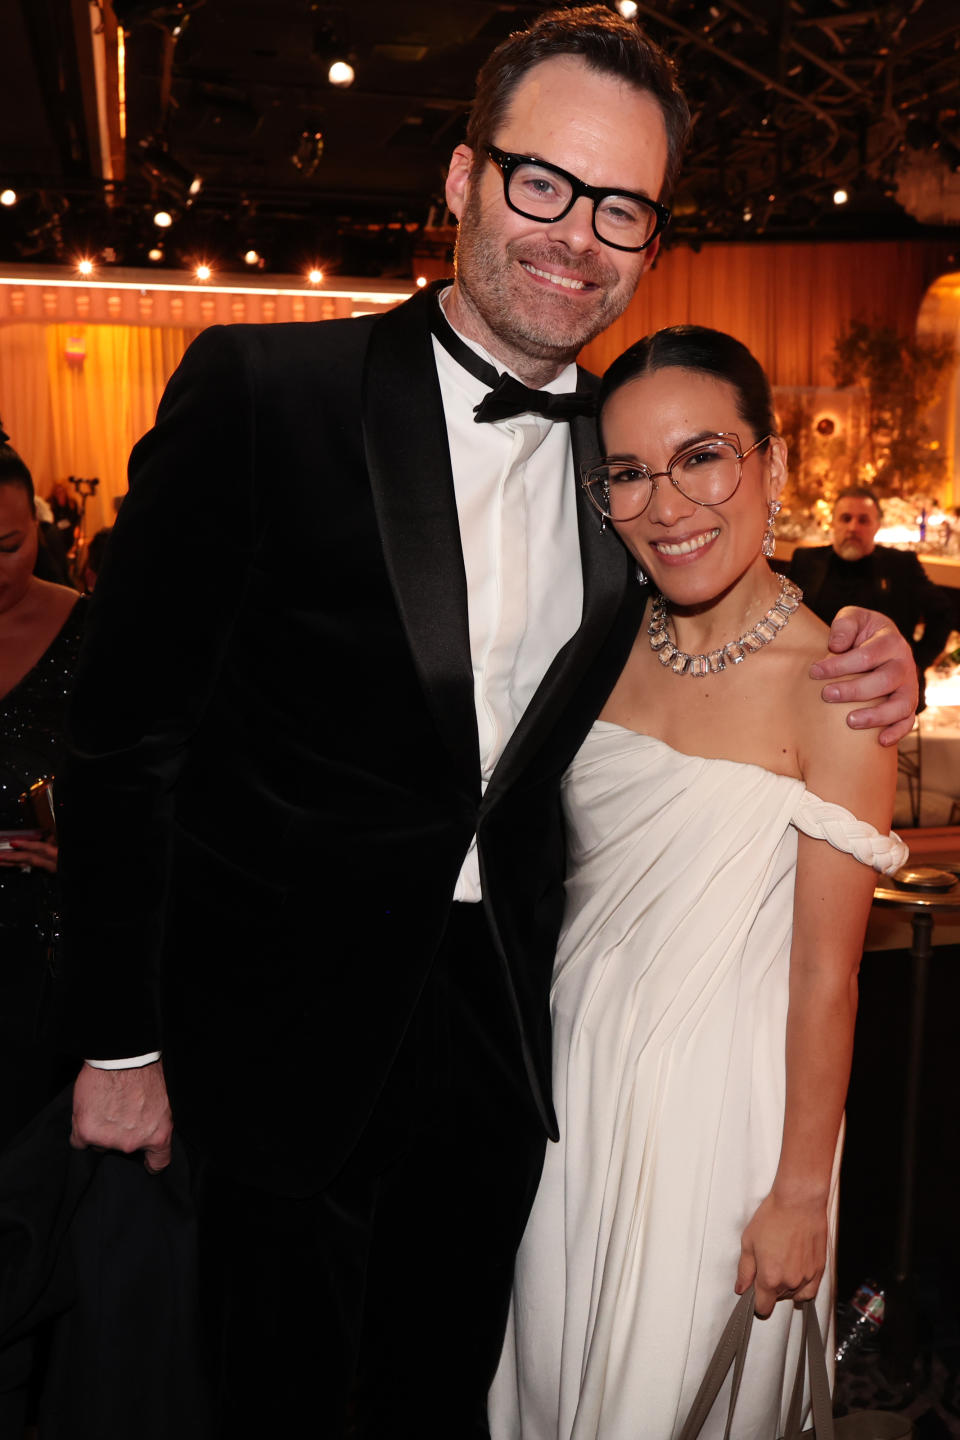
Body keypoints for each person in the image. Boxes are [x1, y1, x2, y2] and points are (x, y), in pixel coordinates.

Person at [55, 8, 915, 1436]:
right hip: (274, 1046)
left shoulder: (622, 455)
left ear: (652, 240)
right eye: (543, 183)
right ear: (462, 179)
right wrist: (119, 1039)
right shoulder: (267, 394)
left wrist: (861, 630)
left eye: (622, 207)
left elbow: (708, 600)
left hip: (516, 1054)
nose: (576, 234)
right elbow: (123, 731)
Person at [489, 327, 905, 1440]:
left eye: (703, 456)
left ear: (773, 463)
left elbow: (828, 977)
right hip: (569, 1097)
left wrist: (801, 1193)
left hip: (723, 1123)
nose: (667, 503)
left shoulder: (840, 689)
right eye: (627, 472)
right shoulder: (592, 650)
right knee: (549, 1387)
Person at [0, 434, 85, 1434]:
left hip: (55, 964)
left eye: (12, 541)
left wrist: (90, 855)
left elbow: (157, 794)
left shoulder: (96, 632)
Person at [789, 487, 953, 709]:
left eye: (863, 520)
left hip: (884, 692)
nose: (853, 528)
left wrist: (916, 663)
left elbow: (943, 613)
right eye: (845, 519)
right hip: (815, 688)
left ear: (876, 526)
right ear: (833, 524)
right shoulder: (805, 561)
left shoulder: (901, 566)